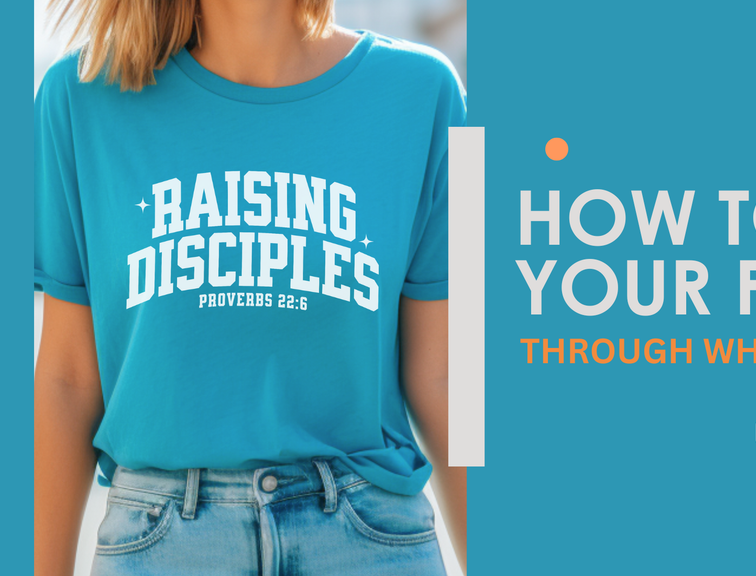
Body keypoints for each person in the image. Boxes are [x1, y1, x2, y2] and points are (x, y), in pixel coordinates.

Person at [33, 0, 466, 574]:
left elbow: (448, 375)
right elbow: (67, 378)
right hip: (162, 545)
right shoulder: (76, 97)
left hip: (369, 537)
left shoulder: (431, 93)